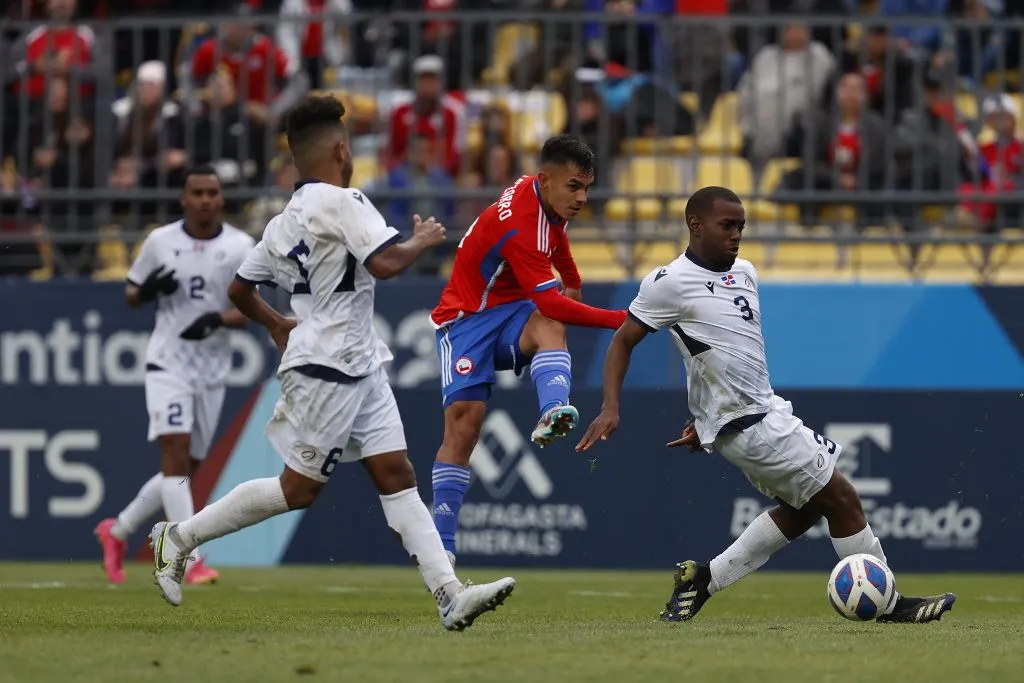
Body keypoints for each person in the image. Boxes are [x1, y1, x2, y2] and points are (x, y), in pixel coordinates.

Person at [148, 94, 516, 632]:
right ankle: (178, 537)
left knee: (398, 474)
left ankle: (449, 593)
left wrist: (276, 323)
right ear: (342, 149)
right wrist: (422, 239)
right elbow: (386, 263)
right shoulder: (345, 202)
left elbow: (239, 288)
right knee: (297, 490)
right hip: (327, 365)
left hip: (358, 361)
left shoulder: (283, 221)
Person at [576, 186, 956, 624]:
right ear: (695, 225)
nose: (736, 235)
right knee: (843, 498)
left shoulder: (747, 272)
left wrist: (708, 421)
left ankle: (703, 580)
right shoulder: (669, 283)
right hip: (753, 427)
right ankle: (889, 605)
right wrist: (610, 407)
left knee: (808, 508)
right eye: (727, 225)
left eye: (741, 226)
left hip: (763, 411)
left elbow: (723, 353)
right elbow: (623, 340)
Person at [429, 134, 627, 565]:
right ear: (546, 180)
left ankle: (553, 409)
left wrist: (572, 277)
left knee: (550, 319)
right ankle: (440, 546)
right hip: (464, 320)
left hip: (511, 308)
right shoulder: (521, 222)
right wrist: (622, 320)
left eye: (587, 188)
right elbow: (553, 296)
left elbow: (556, 242)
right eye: (574, 187)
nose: (582, 198)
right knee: (465, 427)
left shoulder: (545, 198)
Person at [94, 166, 254, 586]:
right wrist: (147, 292)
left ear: (221, 198)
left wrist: (218, 319)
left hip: (212, 369)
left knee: (182, 470)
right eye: (197, 192)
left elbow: (252, 308)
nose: (205, 199)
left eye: (212, 192)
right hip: (169, 361)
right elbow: (130, 292)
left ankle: (118, 531)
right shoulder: (160, 241)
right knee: (176, 454)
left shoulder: (241, 245)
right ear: (184, 198)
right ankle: (190, 556)